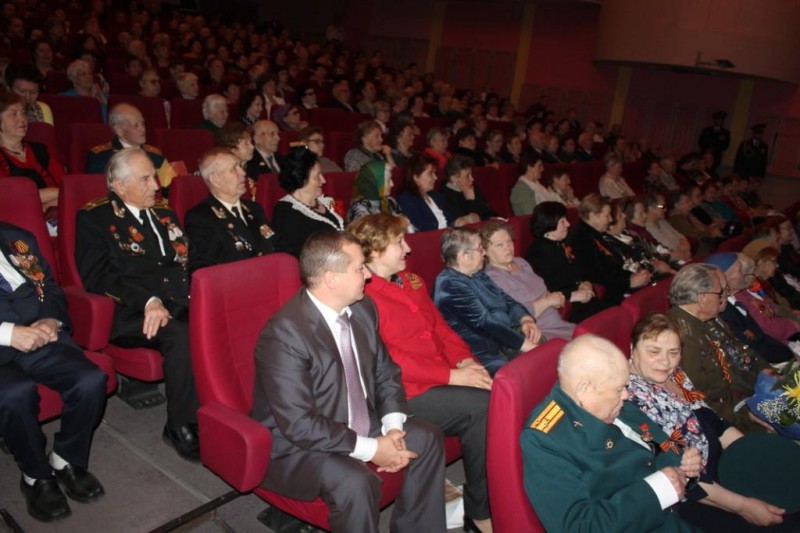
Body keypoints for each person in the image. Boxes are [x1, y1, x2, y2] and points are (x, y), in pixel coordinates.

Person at [250, 230, 446, 533]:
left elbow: (385, 372)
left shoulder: (363, 308)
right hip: (301, 443)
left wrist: (393, 428)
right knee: (355, 482)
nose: (367, 275)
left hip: (358, 419)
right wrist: (372, 449)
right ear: (331, 278)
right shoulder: (284, 335)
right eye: (359, 268)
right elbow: (300, 423)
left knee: (426, 437)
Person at [348, 214, 493, 532]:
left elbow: (439, 327)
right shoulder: (360, 295)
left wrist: (464, 362)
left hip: (436, 377)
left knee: (493, 388)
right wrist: (451, 375)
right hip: (401, 392)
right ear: (375, 250)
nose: (408, 248)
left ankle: (490, 493)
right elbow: (387, 358)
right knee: (484, 406)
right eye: (398, 242)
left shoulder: (410, 281)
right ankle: (480, 511)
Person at [75, 147, 200, 461]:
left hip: (176, 300)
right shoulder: (95, 217)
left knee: (218, 320)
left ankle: (219, 407)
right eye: (145, 179)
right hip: (130, 312)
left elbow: (186, 262)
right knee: (180, 334)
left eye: (154, 177)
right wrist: (148, 300)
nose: (156, 186)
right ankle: (180, 425)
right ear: (119, 185)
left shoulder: (165, 214)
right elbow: (98, 277)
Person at [521, 334, 701, 533]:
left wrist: (684, 466)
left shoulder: (608, 401)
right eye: (619, 389)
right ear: (584, 389)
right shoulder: (545, 440)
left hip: (678, 513)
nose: (626, 395)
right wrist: (659, 490)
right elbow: (579, 527)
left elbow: (659, 445)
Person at [626, 313, 787, 531]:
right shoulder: (630, 401)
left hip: (724, 464)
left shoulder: (675, 375)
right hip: (698, 495)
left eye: (673, 352)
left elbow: (714, 422)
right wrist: (744, 507)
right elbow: (684, 478)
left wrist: (753, 455)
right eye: (653, 352)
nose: (665, 361)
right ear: (632, 348)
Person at [0, 221, 107, 522]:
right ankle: (35, 475)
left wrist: (50, 320)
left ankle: (65, 458)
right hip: (4, 339)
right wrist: (8, 333)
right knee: (15, 394)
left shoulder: (16, 237)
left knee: (90, 380)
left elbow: (48, 286)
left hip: (38, 336)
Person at [667, 263, 770, 432]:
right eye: (719, 293)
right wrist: (749, 421)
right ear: (702, 298)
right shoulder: (681, 337)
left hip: (742, 401)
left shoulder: (700, 322)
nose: (723, 298)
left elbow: (739, 353)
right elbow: (705, 399)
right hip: (730, 419)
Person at [434, 227, 542, 375]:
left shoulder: (477, 274)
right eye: (480, 249)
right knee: (536, 364)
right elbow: (485, 322)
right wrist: (525, 345)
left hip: (505, 340)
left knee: (544, 345)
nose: (484, 253)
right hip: (484, 353)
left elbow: (507, 300)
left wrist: (525, 319)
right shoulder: (450, 284)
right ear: (463, 256)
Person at [184, 148, 277, 272]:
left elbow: (276, 244)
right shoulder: (201, 217)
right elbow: (205, 270)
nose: (243, 173)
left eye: (241, 166)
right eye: (234, 169)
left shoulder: (254, 208)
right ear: (215, 179)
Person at [481, 220, 575, 340]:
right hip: (540, 333)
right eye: (499, 245)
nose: (508, 247)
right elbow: (515, 315)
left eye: (509, 241)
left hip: (559, 324)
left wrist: (554, 298)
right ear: (485, 251)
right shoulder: (492, 277)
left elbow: (543, 291)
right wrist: (548, 301)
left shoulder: (521, 262)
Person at [525, 201, 608, 322]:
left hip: (583, 300)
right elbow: (545, 289)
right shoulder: (537, 253)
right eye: (562, 222)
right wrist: (572, 295)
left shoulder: (560, 244)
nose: (568, 224)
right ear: (549, 224)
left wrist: (585, 283)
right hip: (567, 307)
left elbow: (579, 271)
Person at [706, 252, 795, 364]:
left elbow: (761, 336)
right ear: (725, 278)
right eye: (740, 270)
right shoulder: (725, 310)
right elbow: (755, 346)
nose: (744, 274)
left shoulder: (733, 303)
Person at [571, 194, 653, 306]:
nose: (610, 219)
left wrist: (633, 276)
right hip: (607, 297)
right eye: (607, 215)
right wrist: (629, 282)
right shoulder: (580, 239)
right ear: (592, 216)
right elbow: (596, 276)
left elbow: (615, 266)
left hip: (618, 286)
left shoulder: (595, 234)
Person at [85, 103, 177, 190]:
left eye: (142, 123)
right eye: (136, 125)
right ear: (119, 130)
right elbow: (98, 191)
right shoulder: (101, 157)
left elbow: (171, 188)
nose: (142, 129)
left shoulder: (156, 155)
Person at [272, 148, 344, 257]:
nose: (324, 181)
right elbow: (295, 255)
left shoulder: (327, 200)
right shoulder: (286, 212)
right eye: (317, 176)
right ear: (301, 179)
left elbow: (343, 225)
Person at [0, 92, 63, 216]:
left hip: (55, 212)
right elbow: (10, 198)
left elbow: (65, 186)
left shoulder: (42, 149)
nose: (22, 119)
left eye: (23, 113)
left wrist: (46, 206)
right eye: (13, 114)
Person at [396, 154, 466, 231]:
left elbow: (451, 220)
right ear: (416, 177)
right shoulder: (406, 200)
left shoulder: (436, 196)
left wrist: (460, 221)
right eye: (430, 174)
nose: (435, 178)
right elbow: (425, 227)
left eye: (434, 173)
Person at [440, 154, 498, 221]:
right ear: (454, 179)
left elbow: (486, 211)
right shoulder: (446, 197)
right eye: (467, 176)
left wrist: (495, 218)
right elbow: (466, 222)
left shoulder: (471, 187)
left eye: (471, 174)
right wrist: (470, 200)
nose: (472, 179)